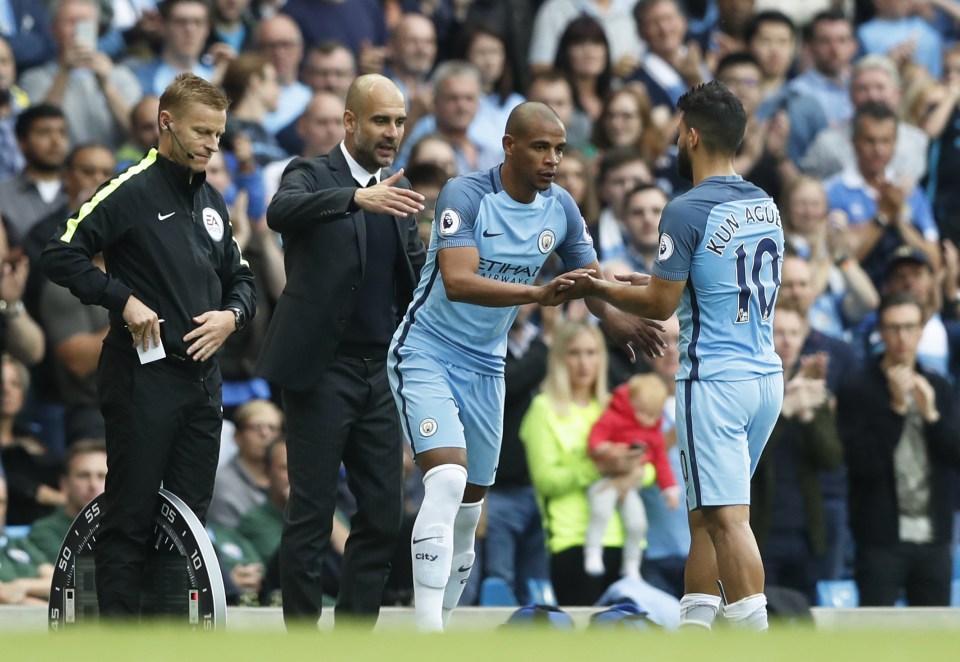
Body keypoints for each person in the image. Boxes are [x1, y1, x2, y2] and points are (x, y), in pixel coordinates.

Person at [387, 100, 664, 632]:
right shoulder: (465, 194)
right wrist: (538, 293)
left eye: (560, 149)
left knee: (470, 507)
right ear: (510, 146)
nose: (553, 159)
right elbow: (457, 279)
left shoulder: (561, 206)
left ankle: (442, 617)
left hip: (487, 366)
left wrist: (614, 319)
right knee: (445, 479)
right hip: (428, 350)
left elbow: (588, 277)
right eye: (541, 147)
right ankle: (427, 636)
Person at [562, 81, 784, 631]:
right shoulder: (765, 204)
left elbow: (661, 303)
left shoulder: (685, 209)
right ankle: (693, 632)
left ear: (689, 136)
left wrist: (601, 286)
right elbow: (707, 283)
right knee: (707, 517)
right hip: (764, 376)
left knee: (728, 520)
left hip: (713, 381)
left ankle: (756, 639)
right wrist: (652, 281)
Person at [41, 72, 256, 619]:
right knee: (130, 520)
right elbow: (60, 253)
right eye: (202, 133)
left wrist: (232, 317)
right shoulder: (129, 188)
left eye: (219, 135)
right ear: (167, 123)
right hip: (143, 377)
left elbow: (245, 281)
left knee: (187, 528)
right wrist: (123, 300)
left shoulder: (212, 199)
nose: (213, 145)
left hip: (204, 385)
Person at [256, 73, 426, 630]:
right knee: (310, 513)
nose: (392, 132)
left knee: (382, 516)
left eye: (399, 121)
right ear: (350, 122)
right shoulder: (310, 173)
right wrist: (357, 197)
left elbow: (418, 275)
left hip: (379, 374)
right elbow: (280, 212)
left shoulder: (398, 192)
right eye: (381, 120)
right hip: (321, 372)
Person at [837, 292, 960, 606]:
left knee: (935, 645)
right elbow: (862, 464)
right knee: (875, 639)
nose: (902, 337)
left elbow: (954, 456)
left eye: (909, 327)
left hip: (935, 535)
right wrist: (895, 408)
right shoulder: (857, 388)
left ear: (922, 331)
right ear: (880, 332)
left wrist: (932, 416)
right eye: (893, 328)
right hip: (879, 537)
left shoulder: (939, 386)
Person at [584, 373, 679, 580]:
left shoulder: (652, 431)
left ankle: (632, 564)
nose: (648, 420)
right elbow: (596, 435)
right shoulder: (614, 417)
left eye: (654, 416)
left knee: (637, 523)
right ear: (631, 403)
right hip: (607, 480)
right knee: (600, 510)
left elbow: (661, 461)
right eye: (643, 413)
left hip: (631, 487)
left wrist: (669, 488)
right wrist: (602, 448)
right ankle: (593, 550)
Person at [26, 439, 107, 563]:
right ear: (65, 484)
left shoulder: (124, 526)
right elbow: (73, 576)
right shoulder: (44, 531)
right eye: (84, 475)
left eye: (102, 476)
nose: (93, 485)